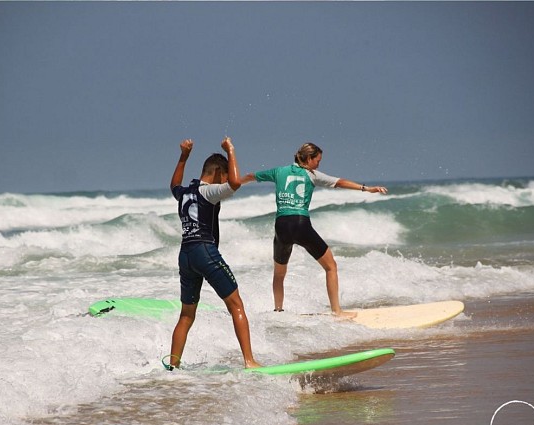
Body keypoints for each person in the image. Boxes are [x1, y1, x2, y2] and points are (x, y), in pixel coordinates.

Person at [243, 142, 388, 316]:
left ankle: (278, 311)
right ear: (309, 158)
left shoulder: (278, 171)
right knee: (331, 266)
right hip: (300, 224)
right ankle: (337, 311)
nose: (319, 164)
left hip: (281, 226)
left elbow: (251, 176)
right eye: (317, 160)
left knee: (279, 273)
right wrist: (366, 188)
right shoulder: (312, 175)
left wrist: (234, 183)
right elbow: (339, 182)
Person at [166, 137, 261, 370]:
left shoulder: (185, 193)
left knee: (186, 315)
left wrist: (184, 156)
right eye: (225, 175)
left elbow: (173, 185)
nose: (227, 180)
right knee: (236, 305)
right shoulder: (209, 192)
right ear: (218, 172)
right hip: (205, 252)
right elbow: (235, 184)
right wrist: (231, 150)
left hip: (185, 255)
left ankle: (173, 366)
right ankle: (250, 362)